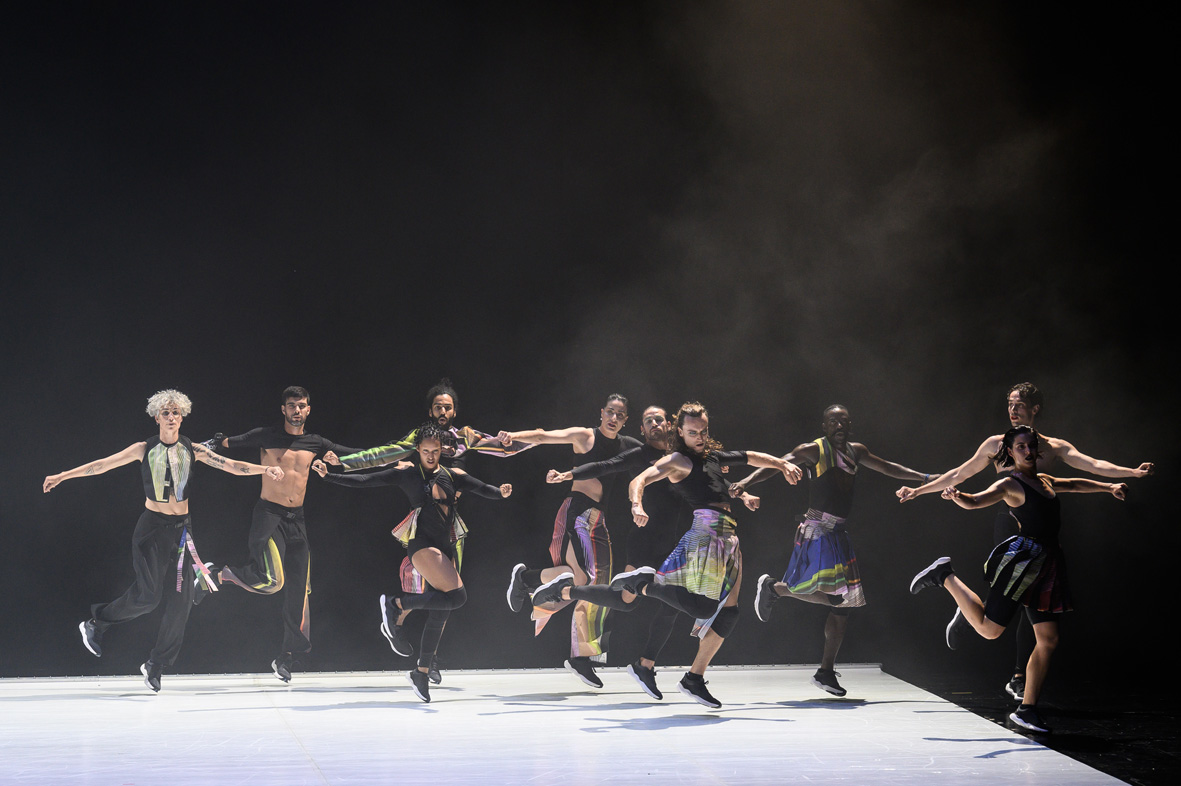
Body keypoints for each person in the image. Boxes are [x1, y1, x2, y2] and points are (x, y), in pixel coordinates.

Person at [897, 382, 1153, 699]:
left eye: (1020, 404)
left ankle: (1017, 673)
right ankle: (971, 605)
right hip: (1011, 525)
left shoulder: (1052, 447)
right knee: (1013, 600)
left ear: (1035, 409)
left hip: (1040, 528)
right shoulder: (997, 444)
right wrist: (919, 491)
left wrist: (1130, 474)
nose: (1013, 409)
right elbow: (959, 475)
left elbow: (1089, 467)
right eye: (1010, 404)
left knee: (1031, 604)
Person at [42, 390, 284, 692]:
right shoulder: (144, 448)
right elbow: (102, 464)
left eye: (176, 412)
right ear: (156, 416)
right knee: (147, 598)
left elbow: (230, 465)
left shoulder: (193, 449)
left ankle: (156, 665)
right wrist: (63, 475)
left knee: (182, 602)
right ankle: (96, 623)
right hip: (152, 529)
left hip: (182, 531)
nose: (171, 417)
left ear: (182, 416)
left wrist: (265, 469)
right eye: (166, 413)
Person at [909, 425, 1128, 734]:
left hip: (1049, 566)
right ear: (1010, 453)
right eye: (1021, 446)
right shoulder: (1010, 484)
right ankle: (943, 575)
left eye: (1031, 445)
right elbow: (976, 500)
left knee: (1048, 640)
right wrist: (958, 496)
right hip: (1023, 564)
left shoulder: (1046, 481)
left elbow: (1076, 484)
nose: (1027, 450)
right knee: (989, 630)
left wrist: (1109, 487)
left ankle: (1027, 710)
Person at [533, 404, 761, 700]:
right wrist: (570, 474)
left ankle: (646, 665)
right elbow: (606, 466)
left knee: (672, 606)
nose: (654, 423)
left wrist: (741, 492)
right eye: (647, 421)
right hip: (646, 539)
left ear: (671, 425)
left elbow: (715, 484)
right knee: (626, 601)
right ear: (642, 429)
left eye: (659, 419)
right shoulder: (642, 455)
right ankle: (565, 592)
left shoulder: (690, 458)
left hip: (678, 539)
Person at [322, 378, 531, 683]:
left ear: (455, 411)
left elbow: (504, 447)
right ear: (431, 411)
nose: (442, 411)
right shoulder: (419, 437)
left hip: (452, 522)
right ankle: (400, 619)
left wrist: (528, 438)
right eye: (437, 406)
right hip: (424, 520)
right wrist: (344, 463)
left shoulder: (465, 437)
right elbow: (383, 454)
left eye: (447, 406)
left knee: (446, 595)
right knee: (431, 589)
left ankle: (426, 657)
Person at [729, 404, 930, 697]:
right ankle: (776, 588)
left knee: (845, 605)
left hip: (838, 532)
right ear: (824, 426)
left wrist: (924, 478)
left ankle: (825, 671)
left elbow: (887, 467)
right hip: (817, 528)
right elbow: (778, 463)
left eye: (844, 421)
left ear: (850, 426)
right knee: (838, 598)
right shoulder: (813, 450)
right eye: (833, 421)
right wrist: (746, 481)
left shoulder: (856, 451)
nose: (839, 426)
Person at [610, 401, 802, 707]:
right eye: (692, 432)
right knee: (703, 608)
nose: (699, 437)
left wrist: (781, 465)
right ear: (680, 432)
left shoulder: (711, 457)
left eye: (703, 431)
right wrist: (636, 504)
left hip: (729, 537)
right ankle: (644, 584)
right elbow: (640, 479)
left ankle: (694, 678)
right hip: (706, 534)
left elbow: (750, 456)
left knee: (730, 612)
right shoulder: (677, 460)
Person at [207, 386, 362, 683]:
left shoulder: (316, 442)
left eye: (301, 405)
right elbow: (226, 443)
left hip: (297, 521)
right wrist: (204, 446)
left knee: (299, 592)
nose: (296, 410)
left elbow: (356, 455)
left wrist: (397, 455)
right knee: (273, 580)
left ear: (308, 409)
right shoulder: (266, 435)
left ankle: (286, 657)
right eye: (291, 405)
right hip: (269, 516)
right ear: (283, 410)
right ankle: (223, 574)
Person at [500, 394, 641, 689]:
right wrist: (513, 436)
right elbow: (543, 436)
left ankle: (527, 578)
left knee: (582, 581)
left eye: (620, 415)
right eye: (610, 412)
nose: (614, 418)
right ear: (601, 413)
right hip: (579, 511)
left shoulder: (627, 446)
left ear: (626, 420)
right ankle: (580, 657)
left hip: (596, 517)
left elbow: (657, 458)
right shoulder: (584, 436)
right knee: (591, 582)